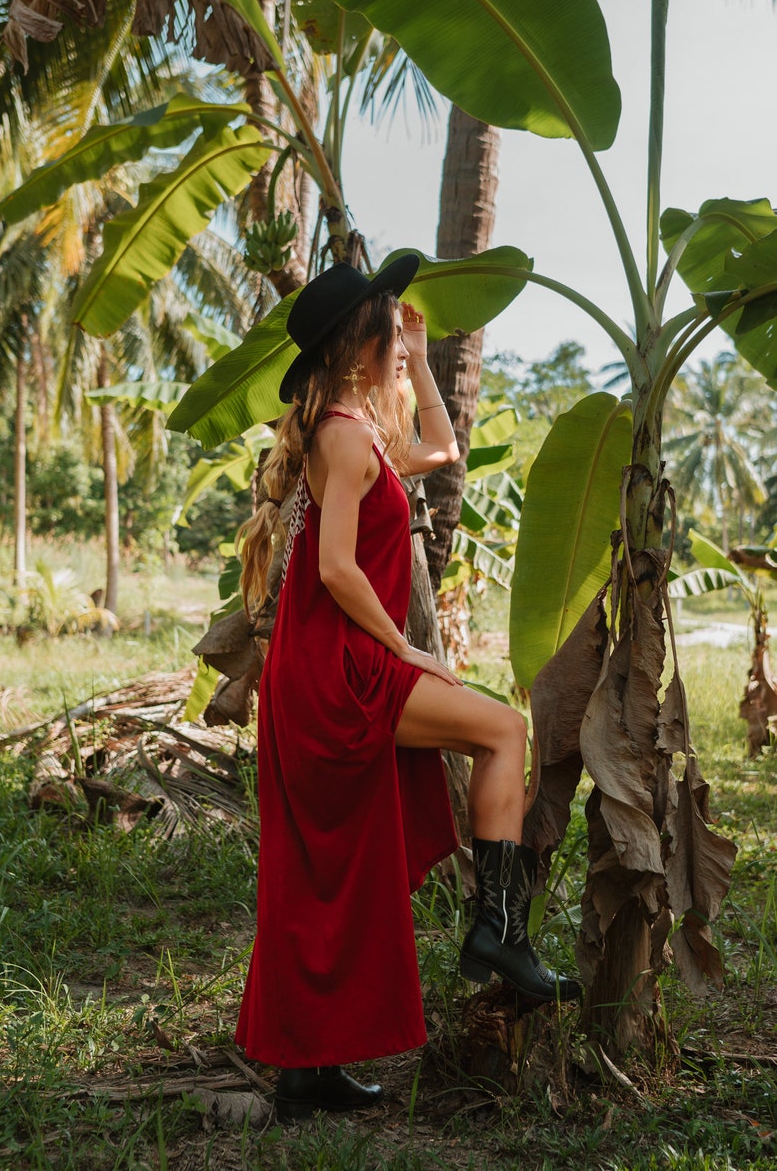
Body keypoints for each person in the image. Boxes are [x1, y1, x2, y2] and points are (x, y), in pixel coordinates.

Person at [233, 255, 580, 1122]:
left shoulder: (353, 428)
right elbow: (336, 567)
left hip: (329, 668)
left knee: (325, 878)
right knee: (503, 729)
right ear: (360, 341)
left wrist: (425, 362)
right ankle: (497, 929)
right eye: (392, 326)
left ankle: (306, 1074)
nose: (400, 334)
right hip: (340, 671)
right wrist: (410, 652)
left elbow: (446, 448)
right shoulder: (346, 436)